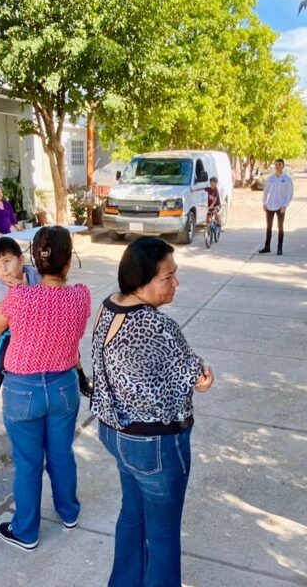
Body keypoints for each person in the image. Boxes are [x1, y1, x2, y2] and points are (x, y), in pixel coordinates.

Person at [91, 237, 214, 587]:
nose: (176, 283)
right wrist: (206, 370)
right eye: (167, 277)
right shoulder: (157, 326)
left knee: (132, 515)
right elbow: (197, 376)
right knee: (162, 535)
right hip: (154, 444)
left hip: (115, 432)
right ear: (141, 281)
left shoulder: (109, 305)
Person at [0, 226, 91, 551]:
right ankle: (69, 512)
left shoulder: (19, 296)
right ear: (68, 262)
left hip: (23, 389)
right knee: (62, 454)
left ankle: (27, 531)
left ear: (35, 261)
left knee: (28, 463)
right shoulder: (81, 295)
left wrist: (16, 291)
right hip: (63, 386)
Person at [0, 237, 42, 441]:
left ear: (21, 259)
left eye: (7, 261)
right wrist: (13, 297)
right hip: (12, 332)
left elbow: (49, 292)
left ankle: (80, 375)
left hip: (38, 329)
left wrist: (24, 288)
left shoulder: (35, 274)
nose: (3, 270)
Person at [259, 158, 293, 255]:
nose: (277, 166)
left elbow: (290, 193)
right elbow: (266, 191)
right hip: (270, 205)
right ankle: (267, 247)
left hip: (280, 206)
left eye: (280, 164)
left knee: (280, 227)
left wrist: (285, 205)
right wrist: (264, 203)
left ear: (283, 166)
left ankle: (279, 248)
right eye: (276, 164)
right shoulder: (271, 178)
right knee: (268, 227)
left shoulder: (287, 179)